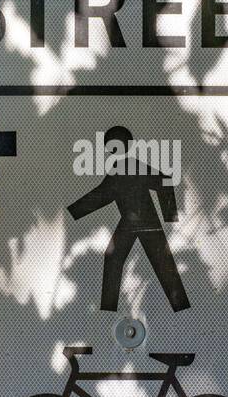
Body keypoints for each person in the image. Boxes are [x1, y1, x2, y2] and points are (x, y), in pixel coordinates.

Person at [68, 126, 189, 312]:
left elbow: (165, 180)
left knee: (155, 261)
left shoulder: (130, 165)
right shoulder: (122, 166)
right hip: (133, 222)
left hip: (145, 222)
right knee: (118, 258)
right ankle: (109, 309)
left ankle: (179, 306)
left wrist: (170, 216)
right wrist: (73, 212)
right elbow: (103, 194)